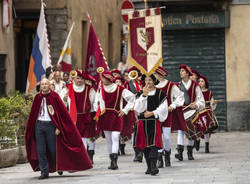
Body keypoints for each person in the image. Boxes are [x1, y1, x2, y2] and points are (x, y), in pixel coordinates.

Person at [25, 78, 92, 180]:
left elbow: (61, 113)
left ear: (49, 85)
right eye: (42, 84)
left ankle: (59, 166)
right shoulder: (37, 98)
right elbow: (33, 114)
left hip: (51, 126)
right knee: (40, 150)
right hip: (39, 126)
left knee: (53, 149)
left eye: (46, 84)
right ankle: (44, 172)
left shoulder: (54, 96)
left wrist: (58, 127)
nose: (44, 86)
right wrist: (32, 128)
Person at [94, 71, 135, 170]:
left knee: (115, 136)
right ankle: (111, 159)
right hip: (104, 116)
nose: (101, 80)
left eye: (103, 78)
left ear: (108, 79)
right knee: (108, 139)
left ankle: (115, 160)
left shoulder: (120, 89)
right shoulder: (101, 89)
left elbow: (132, 98)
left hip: (116, 116)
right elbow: (96, 102)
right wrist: (97, 109)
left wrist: (125, 110)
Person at [134, 74, 168, 175]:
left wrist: (152, 113)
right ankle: (149, 167)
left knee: (154, 144)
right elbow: (137, 108)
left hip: (153, 121)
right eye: (146, 80)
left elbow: (163, 108)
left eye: (150, 80)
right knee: (145, 145)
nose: (148, 82)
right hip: (142, 122)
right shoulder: (140, 93)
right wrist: (144, 95)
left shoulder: (160, 93)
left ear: (154, 81)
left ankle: (154, 166)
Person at [60, 70, 96, 164]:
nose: (79, 81)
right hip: (72, 118)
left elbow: (94, 102)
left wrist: (95, 114)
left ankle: (90, 155)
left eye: (82, 78)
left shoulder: (90, 89)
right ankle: (81, 157)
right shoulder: (67, 89)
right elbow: (61, 104)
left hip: (86, 116)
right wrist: (64, 99)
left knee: (88, 137)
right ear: (73, 79)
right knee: (77, 138)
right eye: (77, 78)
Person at [154, 66, 184, 167]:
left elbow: (180, 96)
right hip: (156, 114)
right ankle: (159, 158)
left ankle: (167, 155)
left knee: (166, 137)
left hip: (168, 113)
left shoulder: (170, 85)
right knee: (157, 136)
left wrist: (173, 105)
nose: (155, 76)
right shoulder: (153, 86)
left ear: (160, 75)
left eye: (156, 74)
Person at [173, 65, 205, 161]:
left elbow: (201, 100)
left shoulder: (195, 85)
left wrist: (196, 104)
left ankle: (190, 152)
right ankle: (180, 152)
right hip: (180, 111)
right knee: (180, 131)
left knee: (190, 131)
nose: (180, 72)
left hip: (191, 111)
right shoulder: (177, 86)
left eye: (183, 71)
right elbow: (174, 99)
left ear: (187, 73)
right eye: (180, 71)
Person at [124, 66, 143, 162]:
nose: (133, 75)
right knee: (135, 131)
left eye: (135, 73)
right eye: (131, 73)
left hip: (143, 109)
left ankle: (142, 150)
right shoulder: (127, 85)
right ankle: (137, 152)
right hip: (133, 110)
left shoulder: (143, 83)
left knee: (143, 131)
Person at [199, 75, 217, 153]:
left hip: (207, 113)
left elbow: (212, 105)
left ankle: (207, 144)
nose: (200, 83)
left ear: (205, 83)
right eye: (199, 81)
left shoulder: (209, 93)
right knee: (198, 128)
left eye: (202, 81)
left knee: (207, 129)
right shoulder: (197, 92)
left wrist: (213, 103)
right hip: (199, 112)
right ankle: (196, 141)